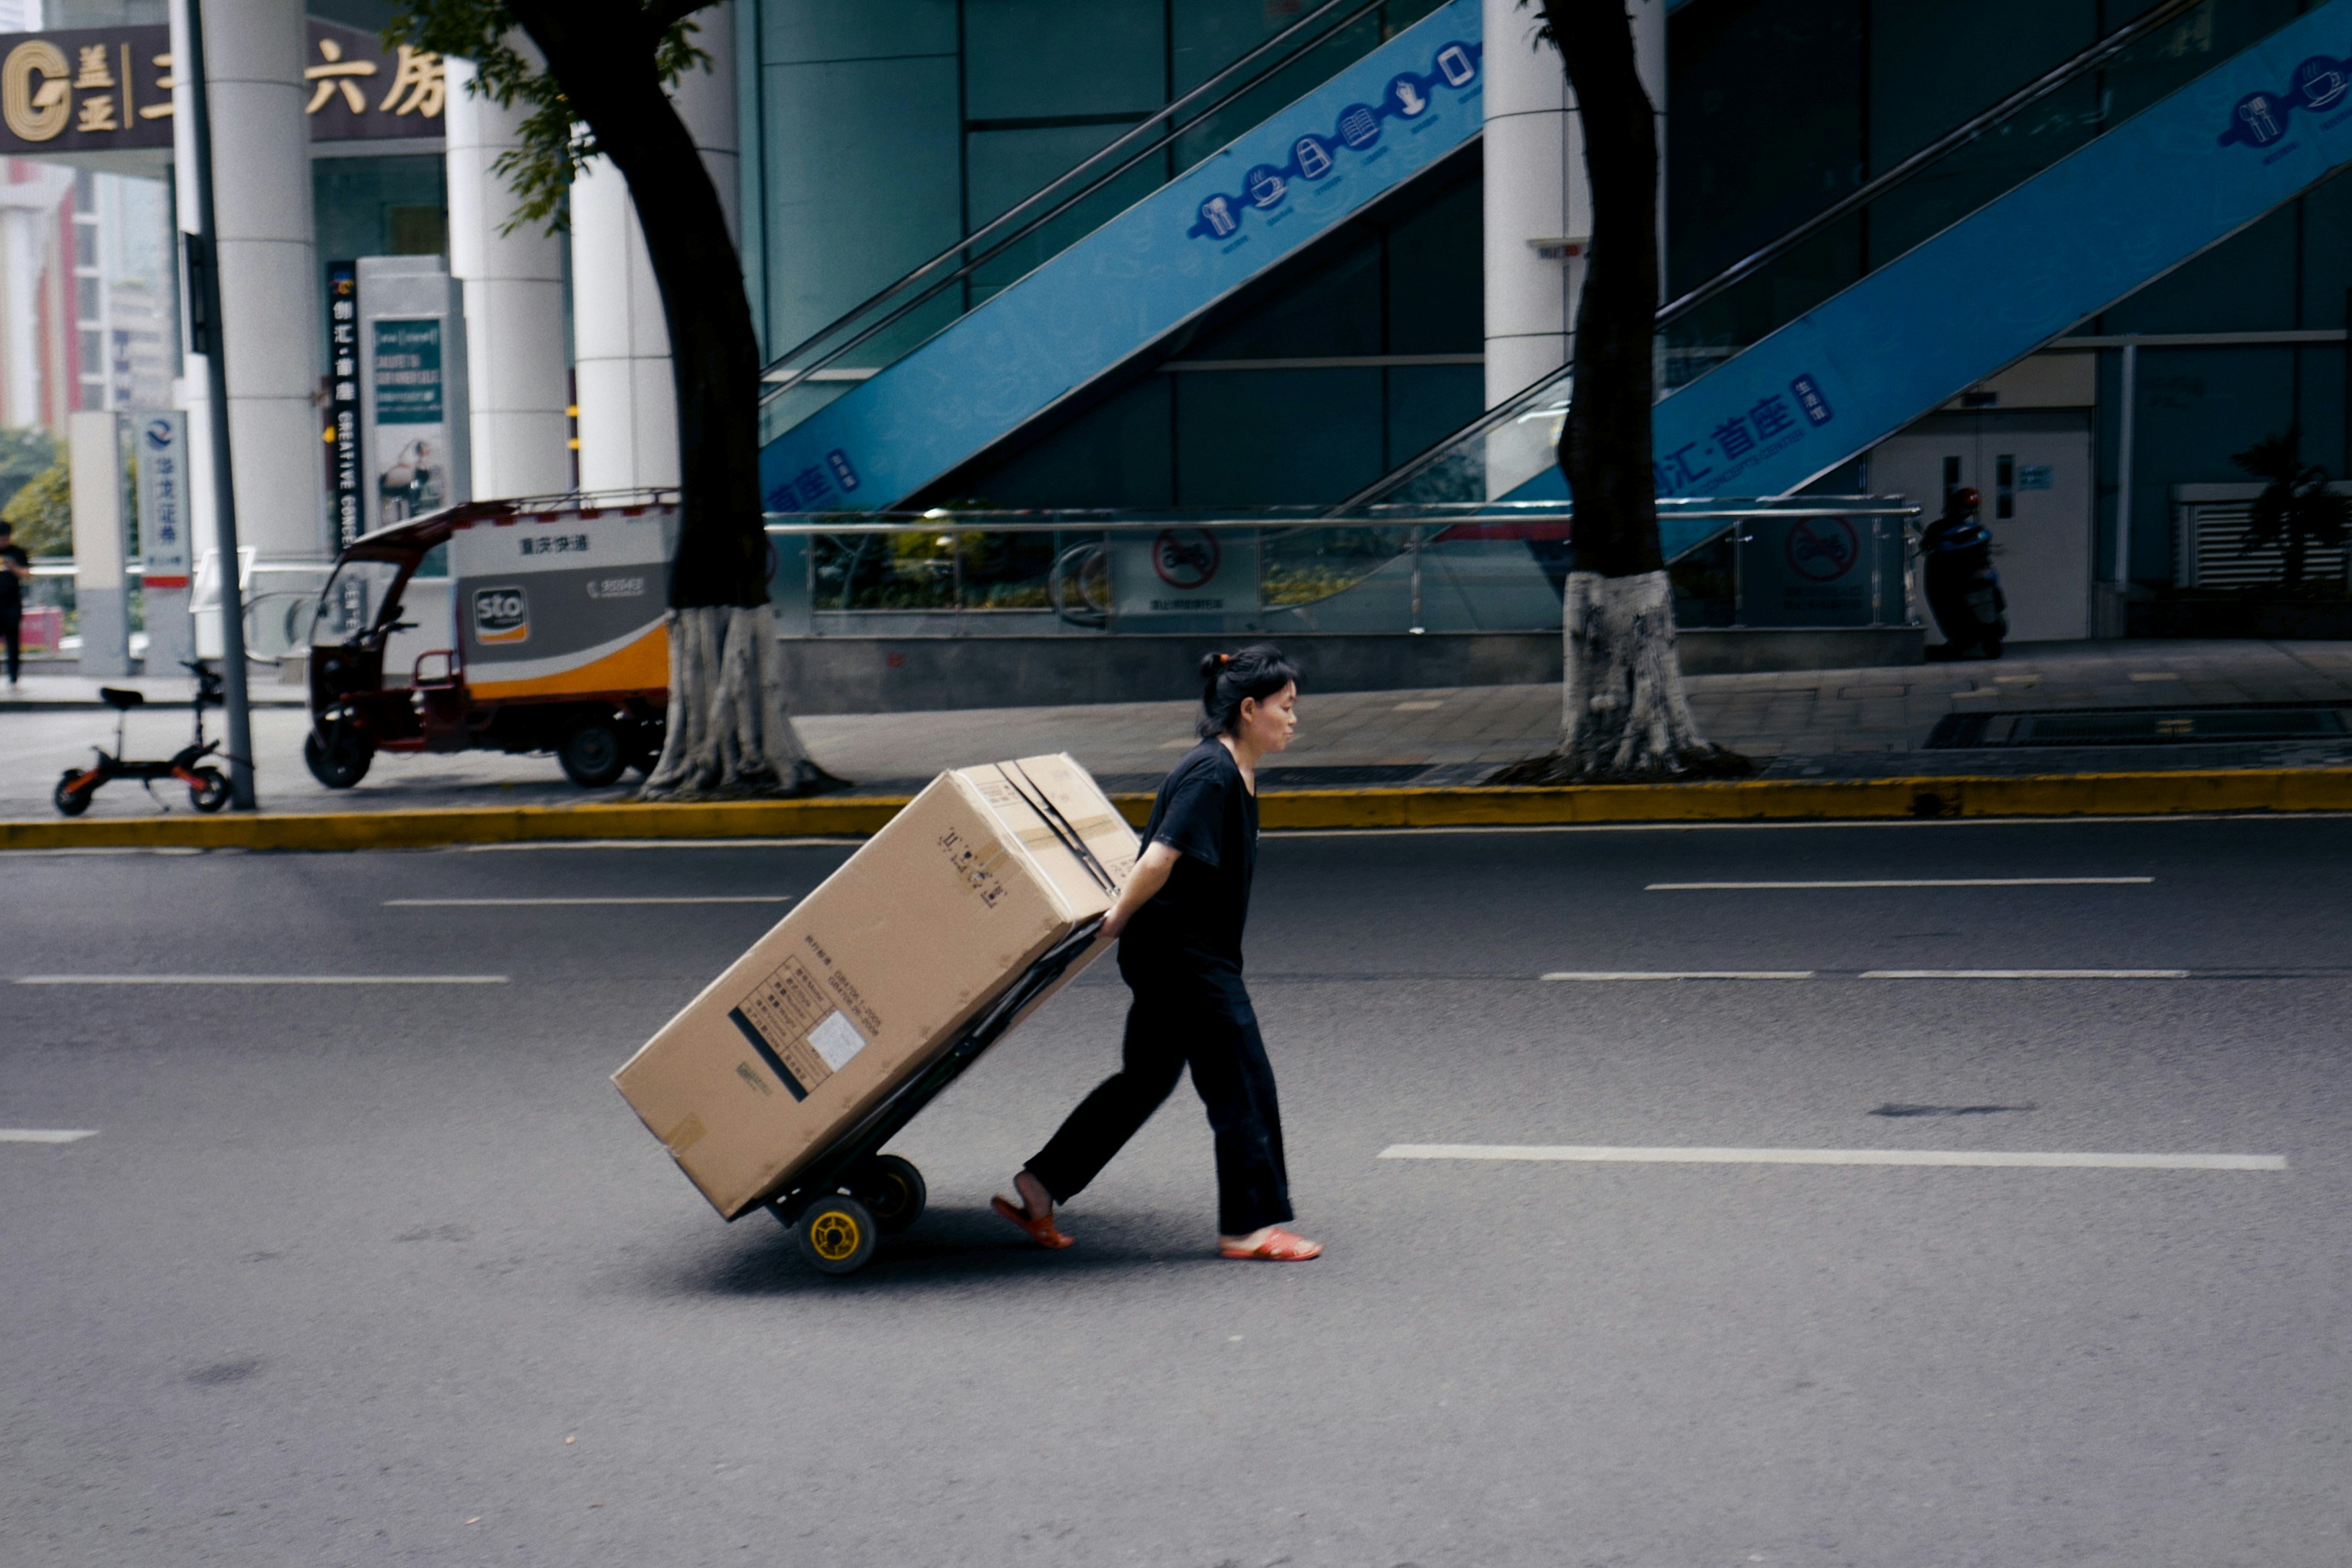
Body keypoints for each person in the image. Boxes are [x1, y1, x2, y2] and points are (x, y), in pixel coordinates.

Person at [994, 645, 1322, 1262]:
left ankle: (1041, 1184)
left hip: (1180, 953)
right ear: (1250, 709)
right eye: (1286, 706)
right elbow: (1158, 857)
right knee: (1243, 1083)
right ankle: (1248, 1226)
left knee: (1146, 1078)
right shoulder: (1211, 774)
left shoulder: (1235, 771)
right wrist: (1118, 918)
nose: (1294, 718)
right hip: (1186, 958)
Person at [0, 521, 30, 689]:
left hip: (12, 605)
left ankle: (13, 678)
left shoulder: (17, 553)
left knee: (13, 643)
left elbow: (27, 575)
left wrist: (13, 567)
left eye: (5, 538)